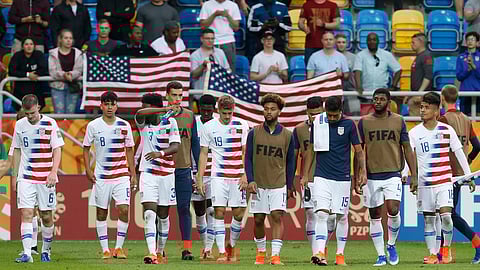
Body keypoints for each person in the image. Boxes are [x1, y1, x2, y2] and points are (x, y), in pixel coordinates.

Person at [303, 95, 367, 266]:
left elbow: (359, 151)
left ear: (341, 111)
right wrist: (304, 174)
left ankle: (340, 255)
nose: (331, 118)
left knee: (341, 217)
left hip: (342, 177)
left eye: (335, 115)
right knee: (322, 214)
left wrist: (363, 172)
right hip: (321, 176)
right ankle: (320, 253)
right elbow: (310, 150)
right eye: (329, 115)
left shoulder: (349, 125)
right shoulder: (318, 123)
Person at [408, 91, 472, 264]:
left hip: (444, 181)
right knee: (429, 220)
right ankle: (432, 254)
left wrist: (468, 177)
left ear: (436, 111)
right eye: (421, 107)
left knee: (446, 217)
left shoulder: (447, 130)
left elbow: (459, 154)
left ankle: (446, 250)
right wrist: (407, 176)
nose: (422, 110)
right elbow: (409, 157)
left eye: (427, 108)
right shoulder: (414, 133)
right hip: (424, 183)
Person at [358, 88, 418, 266]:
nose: (377, 102)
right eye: (375, 99)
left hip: (393, 173)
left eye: (381, 99)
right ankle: (380, 255)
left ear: (388, 101)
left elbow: (407, 147)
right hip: (371, 175)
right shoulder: (364, 122)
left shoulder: (398, 121)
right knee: (375, 214)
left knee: (393, 209)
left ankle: (391, 244)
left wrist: (413, 174)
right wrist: (358, 175)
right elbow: (359, 150)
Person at [83, 91, 137, 260]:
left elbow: (129, 149)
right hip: (102, 177)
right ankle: (105, 249)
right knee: (101, 213)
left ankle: (119, 248)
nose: (109, 107)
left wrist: (133, 173)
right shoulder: (93, 126)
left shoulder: (124, 125)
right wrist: (88, 169)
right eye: (106, 104)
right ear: (101, 106)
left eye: (112, 104)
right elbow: (85, 148)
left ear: (116, 106)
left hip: (121, 175)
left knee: (124, 210)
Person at [196, 95, 249, 262]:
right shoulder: (208, 127)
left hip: (237, 176)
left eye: (230, 113)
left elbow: (244, 152)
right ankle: (221, 252)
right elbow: (204, 153)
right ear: (218, 110)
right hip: (218, 176)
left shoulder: (242, 125)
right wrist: (199, 176)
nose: (227, 116)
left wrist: (245, 173)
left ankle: (231, 245)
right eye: (225, 113)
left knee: (238, 214)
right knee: (218, 211)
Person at [13, 94, 64, 263]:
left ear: (39, 108)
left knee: (46, 216)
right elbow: (17, 150)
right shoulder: (20, 125)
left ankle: (46, 251)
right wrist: (15, 176)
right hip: (26, 177)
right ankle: (27, 253)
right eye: (27, 114)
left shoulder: (50, 123)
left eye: (32, 113)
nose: (30, 117)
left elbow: (57, 149)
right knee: (27, 213)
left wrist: (53, 171)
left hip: (46, 179)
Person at [245, 93, 295, 265]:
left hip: (278, 183)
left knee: (276, 216)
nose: (268, 112)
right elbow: (248, 158)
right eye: (266, 109)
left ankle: (275, 256)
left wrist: (289, 184)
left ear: (279, 111)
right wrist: (250, 180)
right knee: (258, 219)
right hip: (258, 183)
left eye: (272, 109)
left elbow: (291, 162)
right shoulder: (254, 133)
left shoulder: (288, 135)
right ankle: (260, 252)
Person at [135, 93, 181, 264]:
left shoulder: (171, 122)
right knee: (149, 214)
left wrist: (159, 153)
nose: (144, 110)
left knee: (163, 216)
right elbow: (140, 113)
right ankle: (152, 253)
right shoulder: (143, 124)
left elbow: (175, 146)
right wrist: (166, 108)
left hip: (167, 174)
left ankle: (160, 251)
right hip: (148, 173)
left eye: (147, 106)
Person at [439, 85, 480, 264]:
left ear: (442, 98)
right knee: (445, 213)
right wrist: (468, 159)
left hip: (447, 172)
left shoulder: (444, 119)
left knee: (449, 214)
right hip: (460, 173)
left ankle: (476, 242)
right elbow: (477, 145)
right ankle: (443, 253)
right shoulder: (466, 119)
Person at [293, 97, 337, 257]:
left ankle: (321, 245)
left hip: (330, 176)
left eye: (318, 113)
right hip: (309, 178)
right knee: (312, 214)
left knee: (331, 217)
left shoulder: (332, 126)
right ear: (307, 113)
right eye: (312, 114)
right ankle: (316, 253)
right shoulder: (299, 130)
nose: (315, 117)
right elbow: (294, 155)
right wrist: (295, 178)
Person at [166, 81, 200, 260]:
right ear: (167, 96)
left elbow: (195, 144)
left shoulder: (189, 115)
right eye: (174, 95)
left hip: (183, 169)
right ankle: (158, 248)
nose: (178, 99)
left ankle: (186, 249)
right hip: (162, 170)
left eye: (180, 95)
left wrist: (197, 172)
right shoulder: (159, 116)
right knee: (161, 211)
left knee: (184, 209)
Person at [191, 94, 216, 260]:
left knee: (212, 210)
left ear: (214, 109)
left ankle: (208, 248)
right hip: (195, 173)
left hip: (215, 173)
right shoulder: (193, 124)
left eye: (209, 109)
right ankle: (204, 243)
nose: (206, 112)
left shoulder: (220, 123)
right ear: (199, 108)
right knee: (199, 211)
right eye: (203, 109)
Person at [200, 0, 241, 72]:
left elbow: (236, 27)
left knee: (230, 70)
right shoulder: (207, 5)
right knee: (210, 69)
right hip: (211, 42)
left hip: (228, 42)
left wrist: (228, 16)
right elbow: (203, 26)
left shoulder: (233, 5)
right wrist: (214, 15)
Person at [48, 29, 83, 114]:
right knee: (59, 114)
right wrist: (64, 75)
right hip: (57, 87)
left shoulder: (78, 53)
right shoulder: (53, 53)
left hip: (73, 86)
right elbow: (52, 71)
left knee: (70, 114)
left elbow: (79, 70)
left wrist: (71, 74)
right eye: (66, 38)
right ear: (60, 39)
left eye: (70, 38)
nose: (68, 40)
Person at [9, 37, 48, 112]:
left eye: (31, 44)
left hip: (36, 91)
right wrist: (27, 75)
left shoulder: (39, 55)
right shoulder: (17, 56)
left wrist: (35, 74)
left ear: (34, 46)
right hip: (20, 92)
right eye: (26, 44)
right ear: (22, 46)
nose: (29, 46)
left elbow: (44, 69)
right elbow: (12, 71)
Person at [298, 0, 340, 66]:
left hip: (327, 44)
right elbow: (300, 23)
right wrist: (304, 28)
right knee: (310, 69)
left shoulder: (333, 5)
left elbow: (337, 24)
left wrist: (323, 24)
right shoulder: (306, 5)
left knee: (328, 70)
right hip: (311, 44)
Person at [335, 33, 359, 116]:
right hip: (335, 89)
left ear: (347, 43)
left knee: (355, 113)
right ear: (335, 43)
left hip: (350, 90)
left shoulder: (353, 57)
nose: (341, 44)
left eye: (343, 42)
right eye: (339, 42)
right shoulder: (332, 56)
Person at [456, 31, 480, 115]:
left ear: (477, 42)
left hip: (478, 92)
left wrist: (474, 66)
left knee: (478, 119)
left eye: (472, 39)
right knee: (465, 119)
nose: (470, 41)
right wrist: (468, 70)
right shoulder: (460, 57)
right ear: (466, 42)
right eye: (468, 40)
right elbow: (459, 76)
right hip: (465, 92)